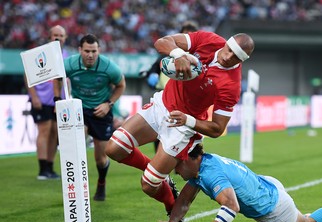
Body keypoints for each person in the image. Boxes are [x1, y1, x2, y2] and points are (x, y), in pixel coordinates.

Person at [105, 31, 255, 222]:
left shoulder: (231, 85)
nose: (228, 57)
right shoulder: (209, 40)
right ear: (226, 43)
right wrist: (178, 54)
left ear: (243, 60)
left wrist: (189, 120)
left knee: (148, 185)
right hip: (162, 106)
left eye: (236, 57)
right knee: (114, 149)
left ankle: (171, 206)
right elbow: (161, 42)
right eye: (229, 50)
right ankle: (159, 172)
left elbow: (218, 128)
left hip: (182, 127)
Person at [153, 144, 322, 222]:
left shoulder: (209, 174)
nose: (176, 171)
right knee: (303, 217)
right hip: (266, 184)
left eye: (177, 166)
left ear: (190, 158)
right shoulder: (204, 165)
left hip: (273, 208)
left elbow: (231, 206)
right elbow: (185, 200)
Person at [54, 34, 126, 201]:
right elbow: (57, 78)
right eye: (87, 51)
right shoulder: (70, 64)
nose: (90, 55)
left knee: (101, 158)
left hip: (101, 111)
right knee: (78, 145)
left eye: (94, 51)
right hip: (79, 109)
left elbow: (121, 85)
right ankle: (77, 187)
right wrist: (57, 100)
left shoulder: (109, 67)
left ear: (98, 50)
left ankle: (101, 182)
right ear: (80, 50)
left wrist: (109, 104)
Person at [143, 20, 199, 152]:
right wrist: (151, 76)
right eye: (185, 35)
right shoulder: (169, 53)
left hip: (185, 100)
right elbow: (154, 68)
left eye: (190, 36)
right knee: (160, 129)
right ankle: (160, 160)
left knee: (182, 131)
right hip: (163, 95)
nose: (187, 39)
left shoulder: (197, 57)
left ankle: (181, 161)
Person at [26, 25, 68, 180]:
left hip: (58, 101)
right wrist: (34, 96)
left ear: (65, 38)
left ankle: (50, 167)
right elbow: (28, 75)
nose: (57, 38)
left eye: (61, 35)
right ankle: (42, 169)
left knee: (55, 133)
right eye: (54, 35)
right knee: (44, 130)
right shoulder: (40, 53)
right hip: (42, 99)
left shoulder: (66, 54)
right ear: (49, 37)